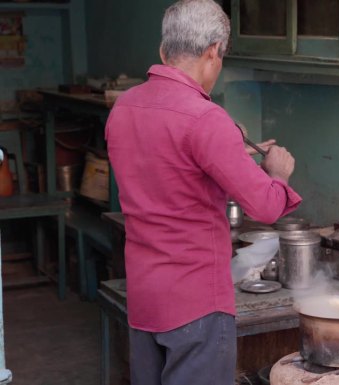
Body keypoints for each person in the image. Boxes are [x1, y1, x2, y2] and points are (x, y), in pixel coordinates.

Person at [105, 0, 302, 384]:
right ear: (213, 51)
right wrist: (277, 173)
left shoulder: (124, 107)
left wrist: (225, 153)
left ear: (164, 51)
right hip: (195, 301)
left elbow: (161, 165)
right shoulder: (205, 118)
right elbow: (265, 206)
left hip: (145, 294)